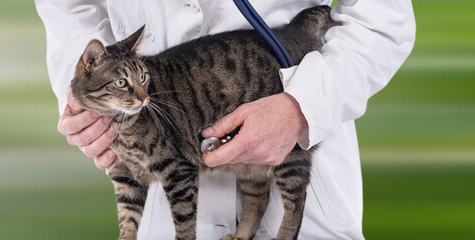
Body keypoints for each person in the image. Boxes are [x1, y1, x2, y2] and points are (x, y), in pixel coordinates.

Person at [35, 0, 415, 239]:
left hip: (296, 132)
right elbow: (70, 11)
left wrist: (303, 106)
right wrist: (84, 97)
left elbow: (383, 19)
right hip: (154, 167)